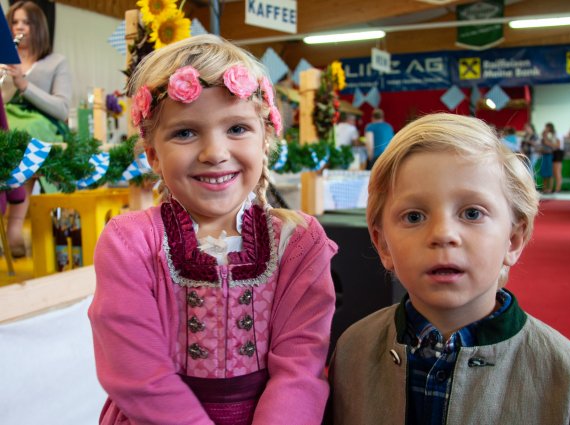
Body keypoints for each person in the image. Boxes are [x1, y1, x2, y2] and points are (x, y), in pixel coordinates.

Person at [88, 34, 337, 425]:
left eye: (237, 128)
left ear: (265, 140)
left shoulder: (299, 242)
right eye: (185, 133)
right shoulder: (130, 243)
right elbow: (137, 375)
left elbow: (301, 367)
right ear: (153, 153)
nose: (215, 152)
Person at [327, 113, 570, 425]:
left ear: (513, 239)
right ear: (383, 244)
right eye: (414, 216)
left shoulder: (569, 379)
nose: (442, 234)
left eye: (472, 213)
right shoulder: (352, 351)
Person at [1, 0, 72, 258]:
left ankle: (14, 228)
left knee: (24, 138)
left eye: (26, 22)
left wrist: (23, 84)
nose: (19, 27)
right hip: (8, 118)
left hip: (41, 124)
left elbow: (62, 109)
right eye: (15, 22)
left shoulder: (56, 62)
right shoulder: (3, 59)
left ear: (38, 27)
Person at [539, 122, 558, 194]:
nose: (545, 128)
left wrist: (546, 138)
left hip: (549, 155)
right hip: (544, 154)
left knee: (550, 173)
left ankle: (550, 188)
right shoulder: (544, 134)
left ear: (550, 128)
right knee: (544, 173)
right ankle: (544, 188)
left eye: (546, 127)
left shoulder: (552, 135)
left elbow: (550, 144)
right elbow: (542, 143)